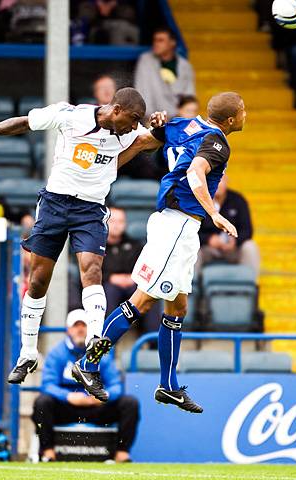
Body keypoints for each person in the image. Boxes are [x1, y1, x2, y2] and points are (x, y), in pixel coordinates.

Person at [0, 87, 166, 398]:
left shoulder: (130, 131)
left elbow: (153, 139)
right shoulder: (70, 116)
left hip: (90, 210)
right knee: (38, 279)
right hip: (55, 204)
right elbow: (24, 122)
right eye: (133, 119)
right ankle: (28, 354)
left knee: (91, 270)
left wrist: (162, 127)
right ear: (117, 110)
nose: (134, 125)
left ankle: (93, 345)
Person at [75, 92, 246, 414]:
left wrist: (103, 170)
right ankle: (88, 363)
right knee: (144, 299)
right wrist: (215, 213)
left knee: (178, 304)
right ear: (231, 120)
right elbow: (196, 174)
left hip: (179, 227)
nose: (246, 116)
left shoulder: (180, 124)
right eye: (243, 112)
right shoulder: (217, 142)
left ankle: (168, 385)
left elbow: (141, 142)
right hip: (177, 225)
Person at [32, 309, 139, 463]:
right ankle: (48, 452)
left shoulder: (102, 354)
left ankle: (122, 453)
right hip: (67, 407)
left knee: (130, 403)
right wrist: (68, 397)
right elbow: (48, 385)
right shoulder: (57, 354)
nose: (80, 329)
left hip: (96, 407)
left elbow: (116, 385)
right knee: (42, 402)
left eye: (84, 325)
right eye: (76, 325)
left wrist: (103, 396)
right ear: (69, 329)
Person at [103, 206, 161, 332]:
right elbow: (90, 271)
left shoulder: (135, 245)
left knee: (149, 293)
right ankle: (107, 337)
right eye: (113, 221)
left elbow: (146, 267)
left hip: (133, 283)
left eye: (120, 221)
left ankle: (153, 339)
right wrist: (110, 278)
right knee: (109, 292)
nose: (116, 225)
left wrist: (134, 278)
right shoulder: (97, 246)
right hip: (108, 285)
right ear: (105, 221)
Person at [199, 175, 260, 278]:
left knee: (250, 246)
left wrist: (235, 241)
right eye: (214, 180)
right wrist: (208, 239)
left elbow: (247, 230)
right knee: (191, 248)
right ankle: (190, 288)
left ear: (227, 181)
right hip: (207, 248)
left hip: (232, 249)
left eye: (220, 180)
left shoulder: (238, 200)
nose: (218, 184)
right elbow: (191, 231)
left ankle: (249, 284)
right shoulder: (200, 200)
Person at [135, 27, 195, 119]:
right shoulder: (146, 60)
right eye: (155, 40)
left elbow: (189, 96)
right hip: (152, 118)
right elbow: (143, 91)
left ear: (172, 43)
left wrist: (182, 118)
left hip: (178, 119)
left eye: (161, 40)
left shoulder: (185, 65)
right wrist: (150, 117)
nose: (156, 43)